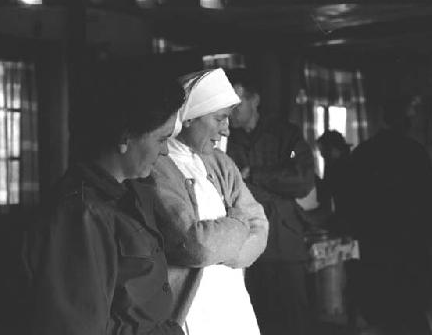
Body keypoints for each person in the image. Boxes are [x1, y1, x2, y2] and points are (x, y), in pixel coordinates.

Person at [22, 65, 186, 335]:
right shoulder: (80, 213)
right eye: (161, 139)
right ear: (125, 138)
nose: (166, 151)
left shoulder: (132, 194)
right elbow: (77, 328)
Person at [148, 68, 268, 335]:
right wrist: (238, 224)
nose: (226, 130)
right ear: (189, 118)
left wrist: (221, 245)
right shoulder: (158, 166)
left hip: (231, 300)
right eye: (220, 119)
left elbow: (260, 226)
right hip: (188, 307)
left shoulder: (221, 163)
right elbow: (194, 244)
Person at [226, 69, 315, 335]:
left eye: (237, 103)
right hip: (251, 242)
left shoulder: (286, 135)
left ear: (255, 100)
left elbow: (303, 180)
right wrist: (275, 184)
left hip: (285, 241)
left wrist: (255, 175)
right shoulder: (228, 139)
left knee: (294, 318)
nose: (231, 111)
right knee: (260, 317)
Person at [344, 96, 432, 335]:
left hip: (375, 243)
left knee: (382, 311)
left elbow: (350, 200)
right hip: (409, 243)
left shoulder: (364, 152)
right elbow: (429, 201)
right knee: (409, 310)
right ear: (405, 121)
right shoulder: (415, 152)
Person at [316, 130, 352, 232]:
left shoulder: (345, 165)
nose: (322, 155)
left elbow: (327, 191)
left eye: (323, 151)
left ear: (332, 148)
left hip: (349, 217)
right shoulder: (332, 163)